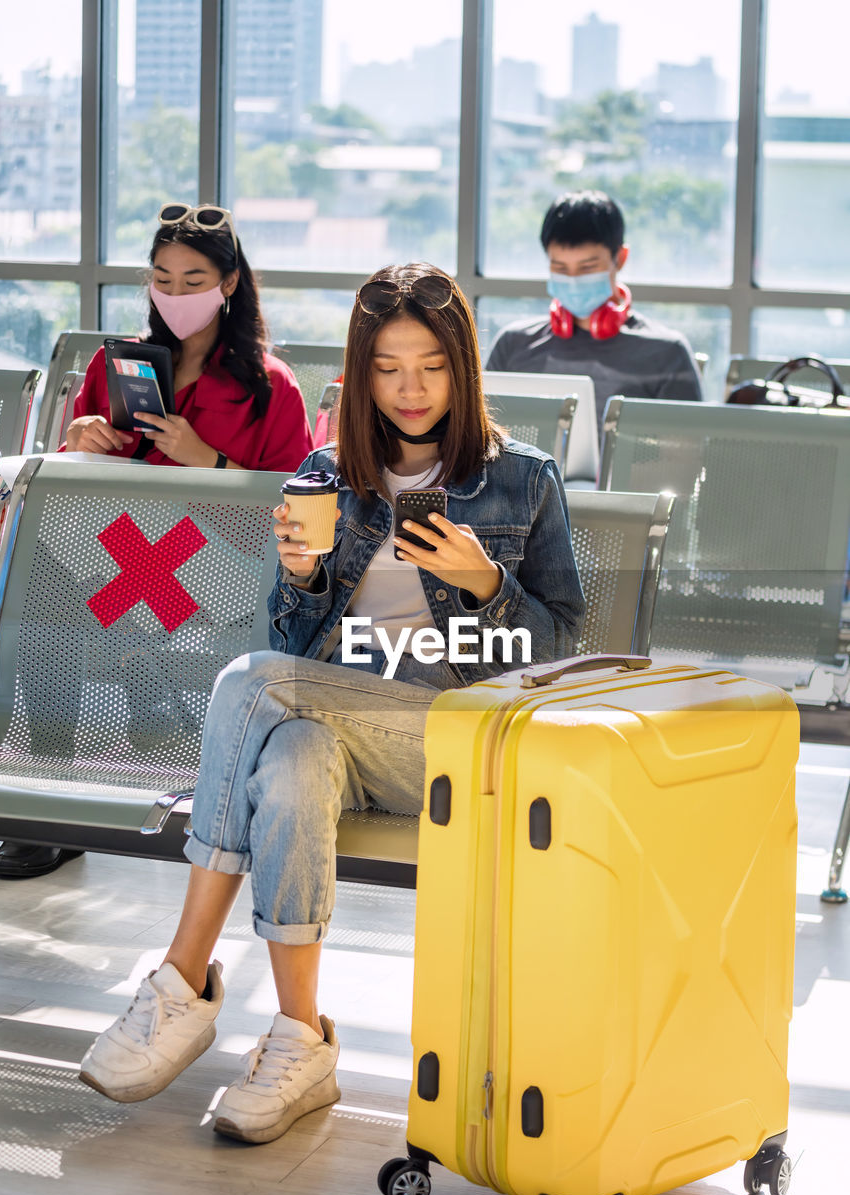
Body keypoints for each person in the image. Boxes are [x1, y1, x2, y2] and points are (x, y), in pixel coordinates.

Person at [77, 262, 585, 1145]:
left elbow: (562, 650)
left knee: (250, 680)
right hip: (346, 737)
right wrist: (306, 579)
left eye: (430, 365)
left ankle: (182, 975)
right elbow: (294, 634)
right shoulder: (326, 475)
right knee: (295, 754)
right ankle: (301, 1039)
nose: (411, 388)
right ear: (362, 374)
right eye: (388, 368)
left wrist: (485, 582)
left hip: (459, 745)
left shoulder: (525, 481)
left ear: (462, 367)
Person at [0, 204, 313, 881]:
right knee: (52, 560)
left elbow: (299, 503)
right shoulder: (118, 369)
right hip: (113, 568)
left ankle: (122, 697)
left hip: (223, 572)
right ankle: (57, 781)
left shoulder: (270, 386)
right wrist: (77, 442)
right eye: (161, 279)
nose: (174, 296)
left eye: (192, 280)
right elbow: (80, 479)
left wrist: (213, 464)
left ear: (229, 283)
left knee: (60, 563)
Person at [486, 190, 703, 435]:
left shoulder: (667, 352)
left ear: (620, 259)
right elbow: (481, 439)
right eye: (560, 268)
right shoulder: (513, 345)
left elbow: (685, 457)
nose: (573, 280)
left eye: (588, 267)